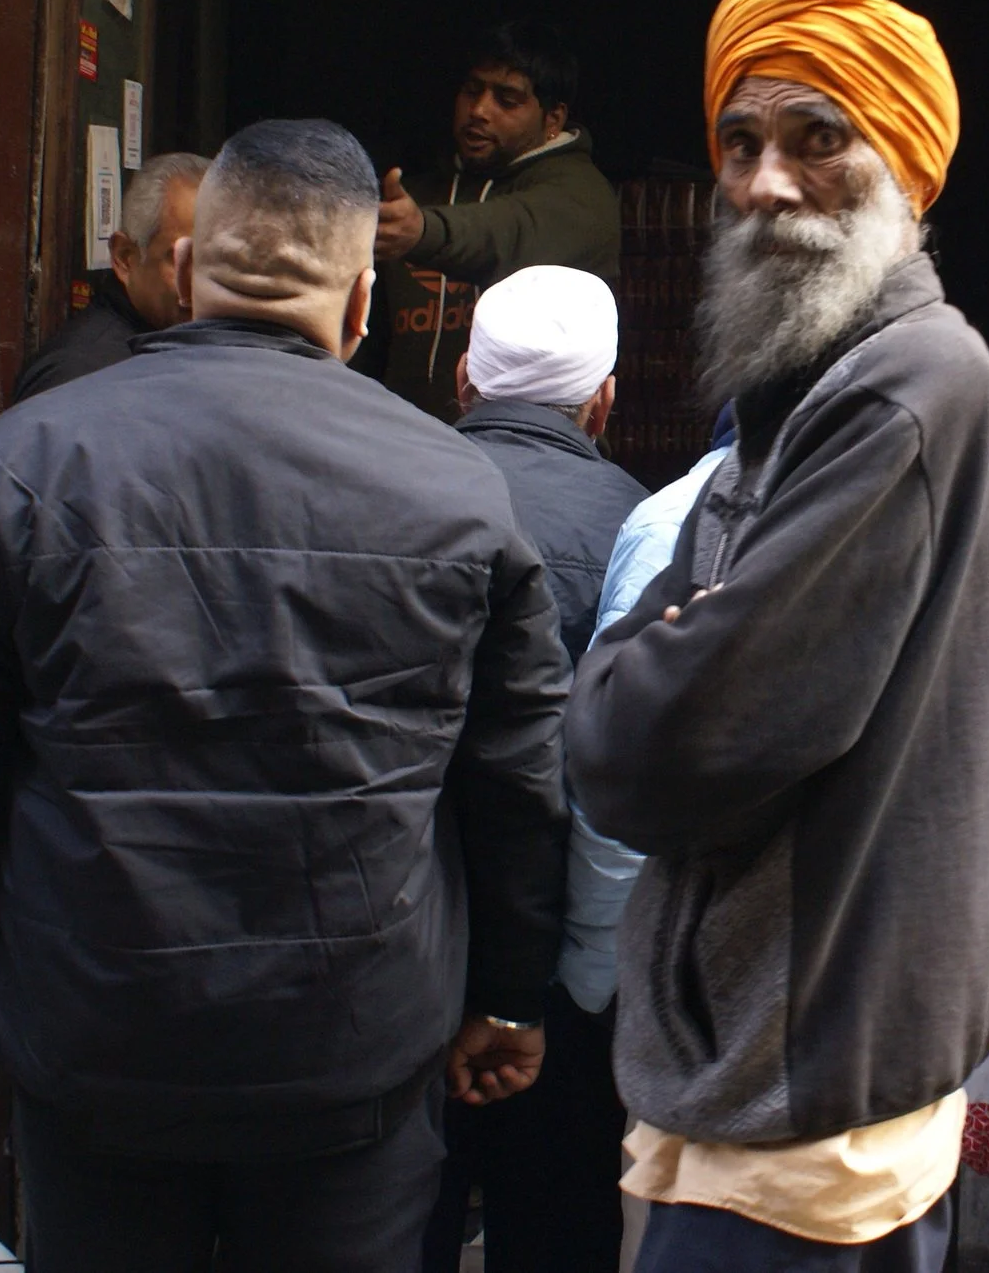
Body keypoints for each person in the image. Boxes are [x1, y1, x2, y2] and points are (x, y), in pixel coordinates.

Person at [0, 120, 571, 1273]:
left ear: (185, 275)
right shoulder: (458, 492)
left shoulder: (25, 464)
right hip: (353, 1047)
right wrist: (509, 992)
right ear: (360, 304)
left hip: (98, 1035)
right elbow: (516, 781)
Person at [567, 0, 989, 1273]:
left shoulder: (901, 391)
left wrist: (645, 658)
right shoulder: (817, 383)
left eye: (817, 141)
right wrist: (669, 644)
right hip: (786, 1068)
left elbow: (666, 739)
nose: (766, 182)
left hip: (802, 1082)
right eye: (741, 143)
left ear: (907, 172)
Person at [425, 263, 647, 1273]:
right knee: (554, 1223)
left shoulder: (388, 489)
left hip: (397, 947)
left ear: (463, 378)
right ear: (603, 400)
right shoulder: (641, 529)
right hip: (564, 963)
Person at [368, 20, 623, 423]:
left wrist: (423, 232)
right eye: (472, 91)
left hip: (535, 454)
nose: (479, 110)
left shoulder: (581, 196)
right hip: (407, 451)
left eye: (507, 99)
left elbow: (507, 231)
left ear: (553, 119)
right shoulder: (414, 195)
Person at [13, 151, 208, 400]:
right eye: (182, 259)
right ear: (125, 257)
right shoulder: (79, 374)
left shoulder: (197, 348)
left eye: (217, 260)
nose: (201, 281)